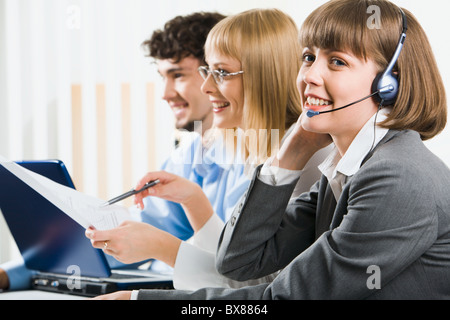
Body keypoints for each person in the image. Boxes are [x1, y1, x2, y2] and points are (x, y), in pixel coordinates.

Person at [96, 0, 449, 299]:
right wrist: (291, 151)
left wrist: (140, 299)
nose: (309, 75)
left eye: (337, 61)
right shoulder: (345, 171)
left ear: (389, 84)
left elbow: (282, 297)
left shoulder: (396, 176)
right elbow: (237, 261)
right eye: (309, 57)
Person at [0, 11, 250, 291]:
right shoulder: (190, 154)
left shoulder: (258, 157)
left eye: (177, 75)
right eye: (162, 77)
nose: (165, 93)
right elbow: (130, 235)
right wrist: (12, 274)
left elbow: (241, 277)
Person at [86, 8, 332, 292]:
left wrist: (162, 247)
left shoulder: (304, 157)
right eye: (207, 72)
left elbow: (262, 286)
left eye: (222, 73)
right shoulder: (230, 143)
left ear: (262, 76)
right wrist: (193, 200)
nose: (206, 87)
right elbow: (232, 265)